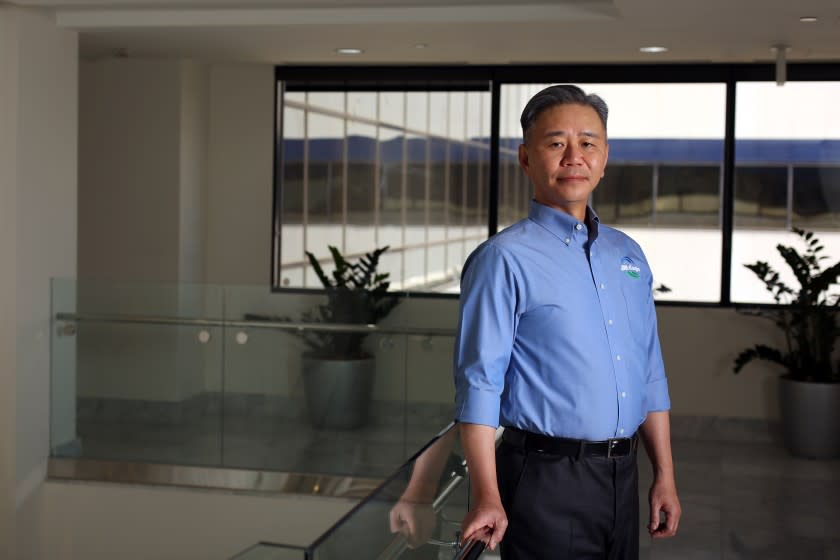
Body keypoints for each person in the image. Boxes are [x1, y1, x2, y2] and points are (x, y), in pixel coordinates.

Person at [453, 84, 681, 559]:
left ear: (604, 156)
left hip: (624, 474)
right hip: (546, 478)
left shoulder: (628, 254)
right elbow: (479, 385)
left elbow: (650, 371)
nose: (574, 156)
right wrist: (486, 495)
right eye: (556, 143)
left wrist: (665, 476)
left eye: (588, 142)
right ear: (525, 158)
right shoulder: (503, 259)